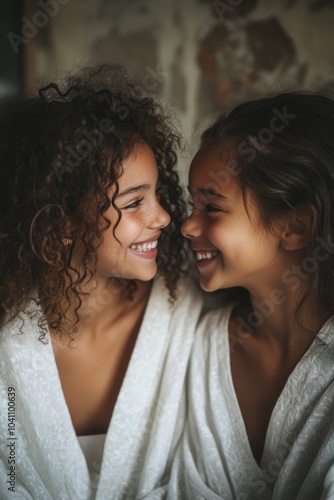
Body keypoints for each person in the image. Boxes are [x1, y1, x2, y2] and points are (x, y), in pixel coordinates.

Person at [0, 65, 206, 499]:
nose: (164, 217)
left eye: (157, 194)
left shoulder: (185, 311)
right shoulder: (8, 341)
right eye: (134, 203)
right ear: (62, 223)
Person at [165, 91, 334, 499]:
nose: (187, 226)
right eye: (192, 204)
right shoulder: (203, 343)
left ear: (294, 226)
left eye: (212, 207)